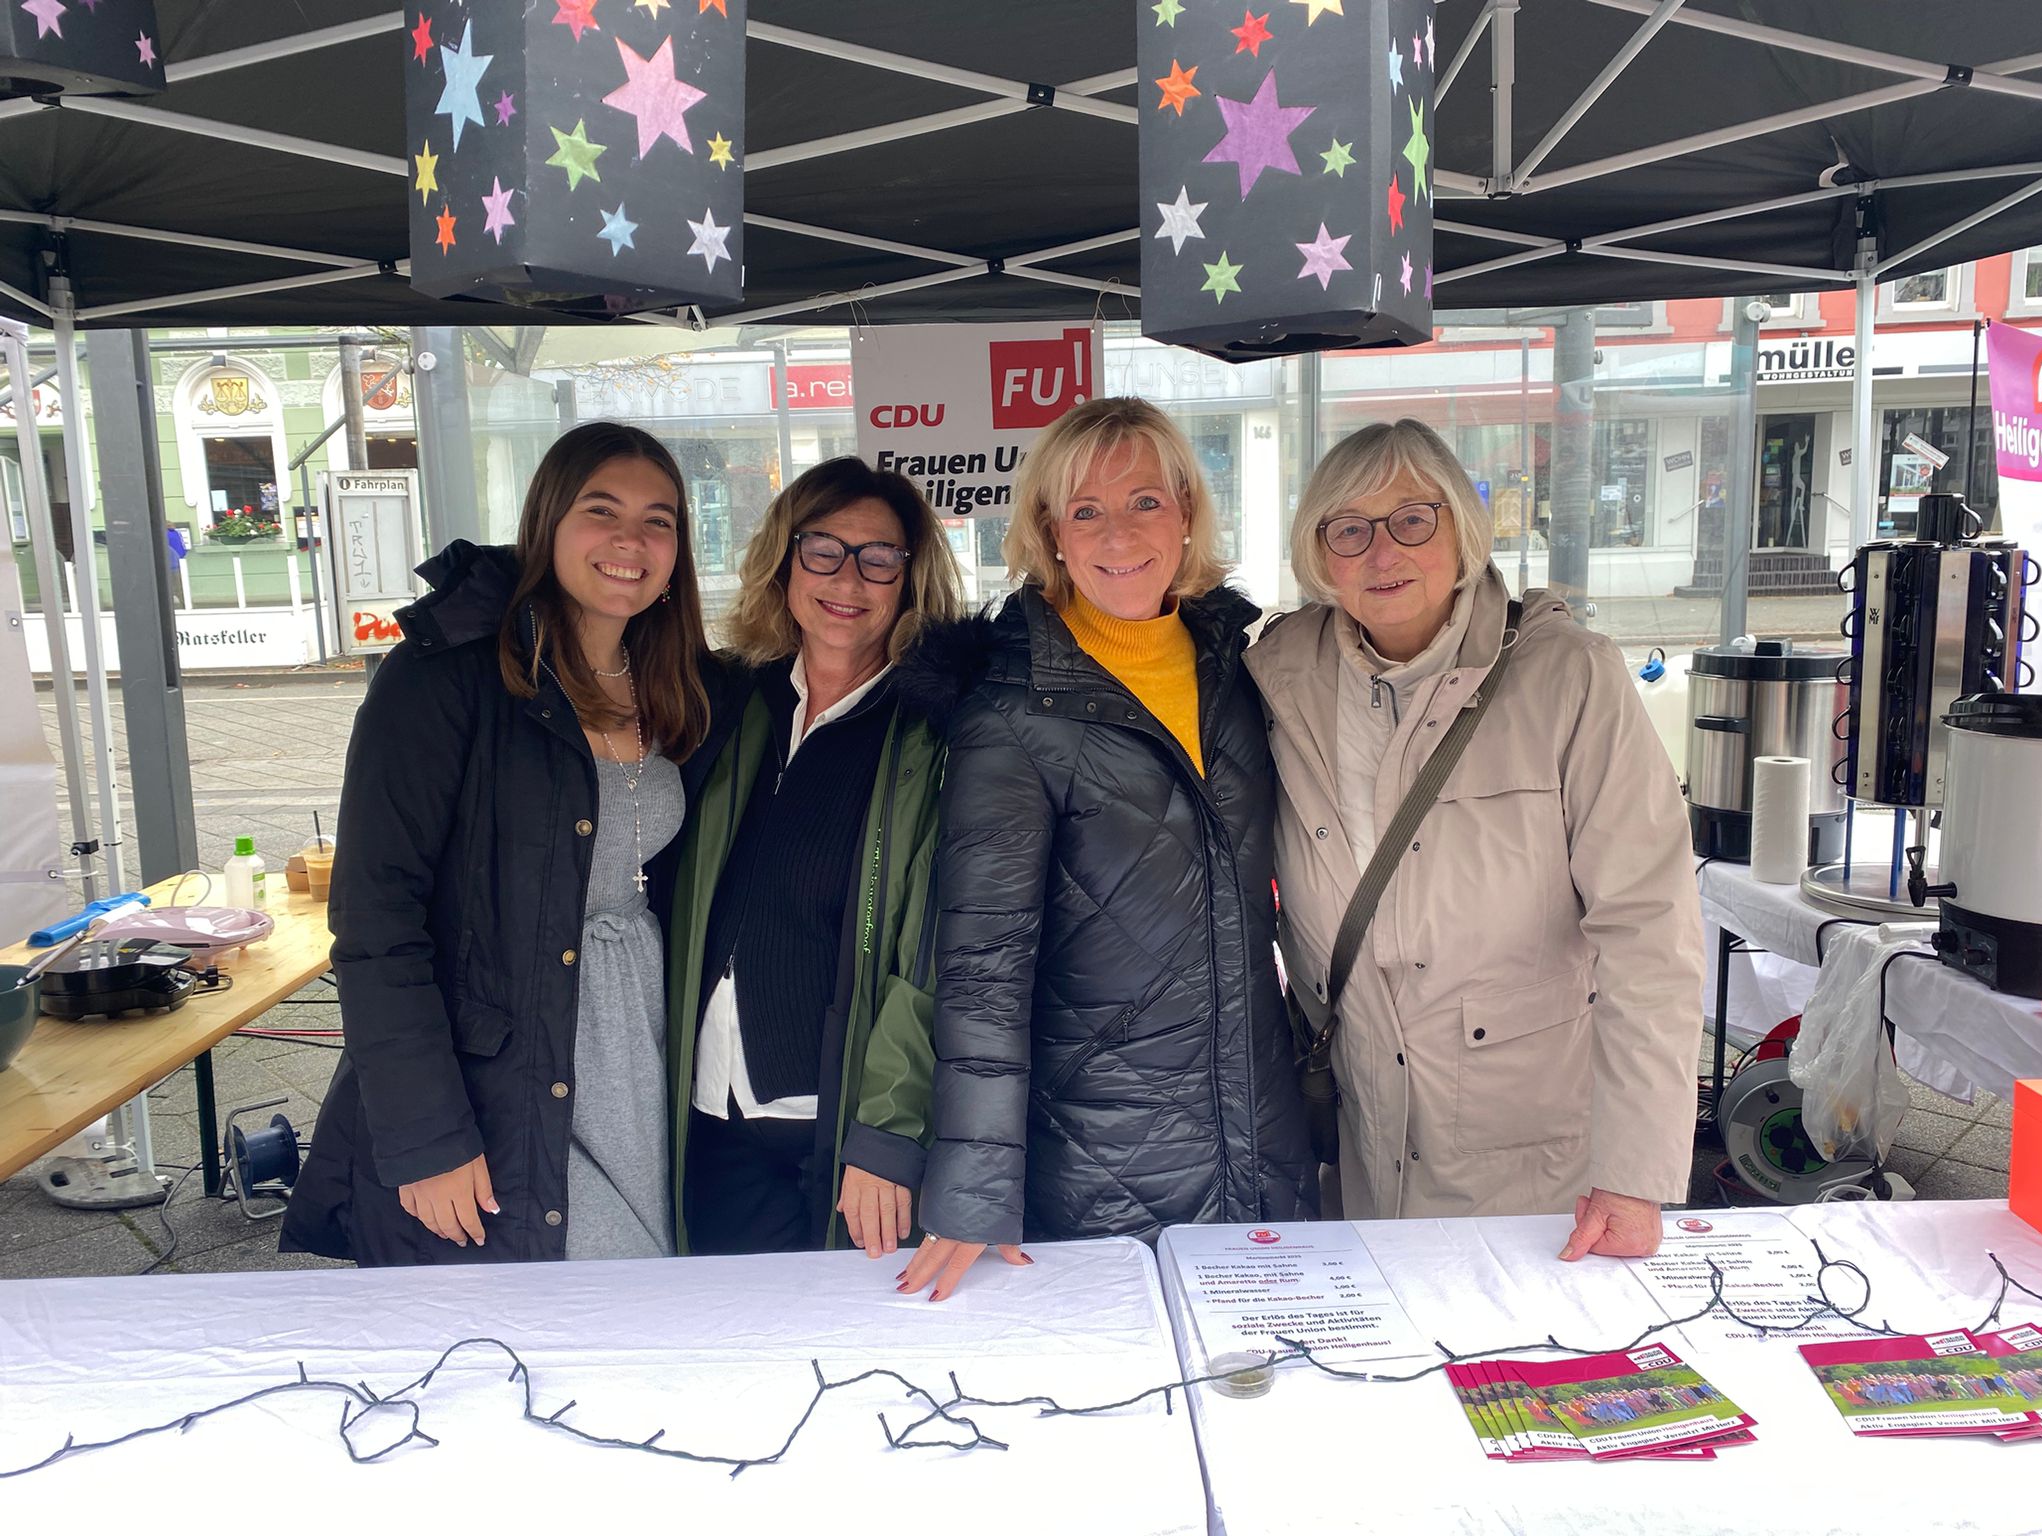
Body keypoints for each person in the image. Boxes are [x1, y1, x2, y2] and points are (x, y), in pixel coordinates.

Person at [1246, 418, 1702, 1260]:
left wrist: (1635, 1173)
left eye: (1413, 520)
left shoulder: (1569, 677)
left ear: (1460, 529)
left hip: (1528, 1164)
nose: (1383, 552)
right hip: (1356, 1141)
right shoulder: (1279, 677)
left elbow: (1651, 930)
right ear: (1319, 554)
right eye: (1349, 530)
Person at [900, 397, 1317, 1302]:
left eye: (1144, 502)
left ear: (1186, 513)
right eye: (1085, 510)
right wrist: (973, 1190)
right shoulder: (1013, 706)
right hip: (1103, 1153)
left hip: (1261, 1131)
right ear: (1051, 533)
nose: (1118, 534)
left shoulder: (1241, 669)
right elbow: (983, 965)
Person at [282, 422, 710, 1265]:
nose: (631, 541)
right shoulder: (443, 678)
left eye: (658, 521)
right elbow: (375, 919)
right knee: (589, 1288)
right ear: (548, 522)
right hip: (500, 1070)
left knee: (648, 1294)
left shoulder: (678, 682)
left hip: (635, 1052)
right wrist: (426, 1134)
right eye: (602, 510)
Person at [666, 457, 965, 1257]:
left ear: (910, 577)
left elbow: (937, 956)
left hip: (837, 1134)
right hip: (712, 1107)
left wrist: (887, 1132)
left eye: (879, 557)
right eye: (823, 549)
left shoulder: (934, 734)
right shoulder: (732, 704)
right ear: (785, 560)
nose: (848, 579)